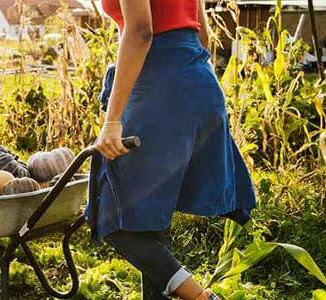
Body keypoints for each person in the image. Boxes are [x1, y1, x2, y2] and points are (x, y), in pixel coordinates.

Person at [88, 0, 257, 299]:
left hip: (160, 88)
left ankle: (202, 298)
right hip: (198, 82)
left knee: (113, 216)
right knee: (150, 219)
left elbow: (141, 32)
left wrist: (112, 119)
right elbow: (202, 33)